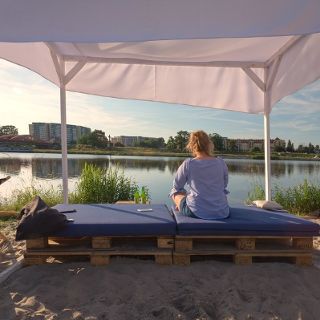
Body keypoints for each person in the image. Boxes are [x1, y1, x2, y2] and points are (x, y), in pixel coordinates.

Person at [169, 130, 229, 219]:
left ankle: (182, 206)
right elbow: (224, 185)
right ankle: (185, 205)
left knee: (175, 193)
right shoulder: (221, 162)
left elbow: (177, 186)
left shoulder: (188, 163)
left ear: (192, 145)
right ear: (209, 144)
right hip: (222, 212)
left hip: (196, 212)